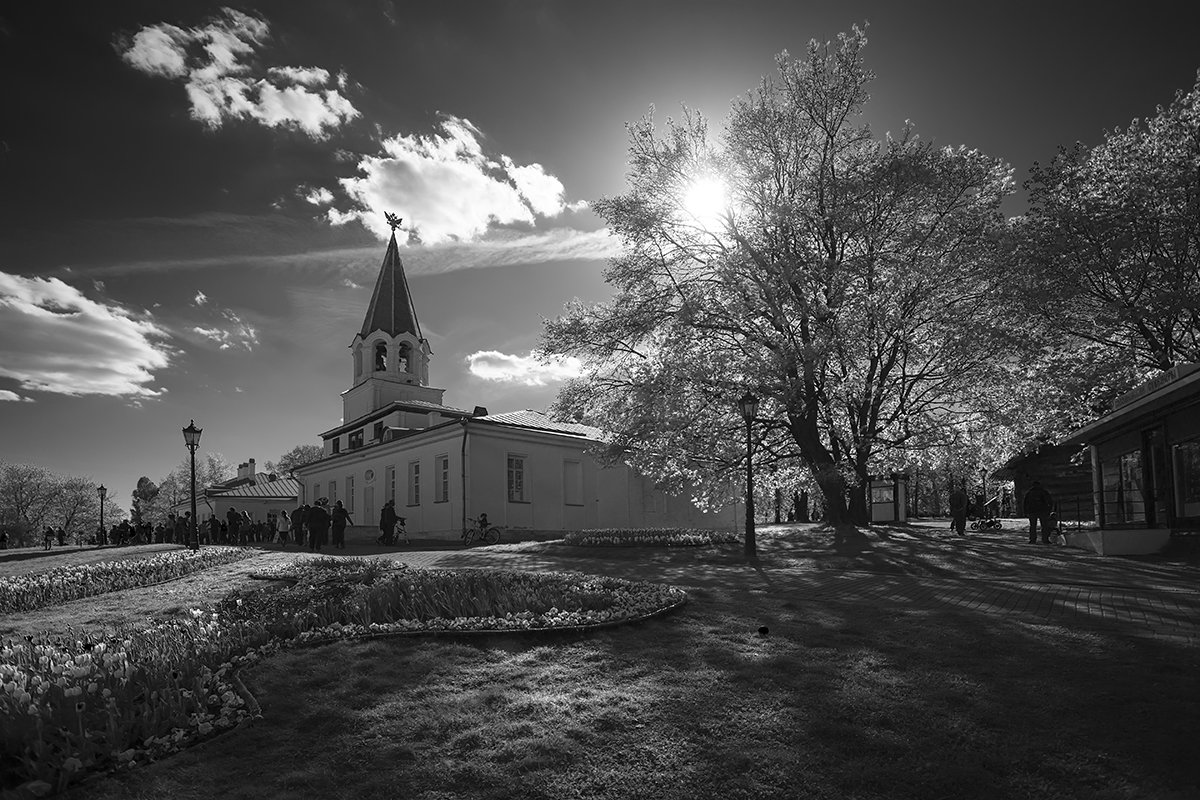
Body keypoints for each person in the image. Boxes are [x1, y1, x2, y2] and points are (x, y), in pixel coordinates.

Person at [1023, 480, 1054, 545]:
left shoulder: (1030, 493)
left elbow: (1025, 503)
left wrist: (1025, 511)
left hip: (1032, 511)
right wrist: (1049, 509)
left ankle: (1033, 540)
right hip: (1043, 511)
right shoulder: (1044, 492)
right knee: (1044, 526)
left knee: (1033, 526)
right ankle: (1045, 539)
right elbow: (1049, 501)